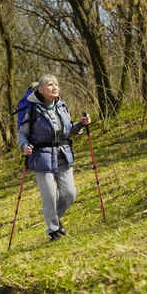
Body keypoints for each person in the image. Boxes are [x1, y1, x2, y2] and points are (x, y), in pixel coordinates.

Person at [17, 74, 91, 241]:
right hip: (41, 158)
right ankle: (53, 230)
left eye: (56, 84)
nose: (54, 87)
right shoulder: (33, 109)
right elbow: (22, 134)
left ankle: (54, 220)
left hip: (63, 154)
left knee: (69, 193)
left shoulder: (62, 106)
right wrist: (24, 146)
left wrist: (80, 125)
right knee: (50, 195)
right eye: (50, 85)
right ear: (41, 89)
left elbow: (67, 129)